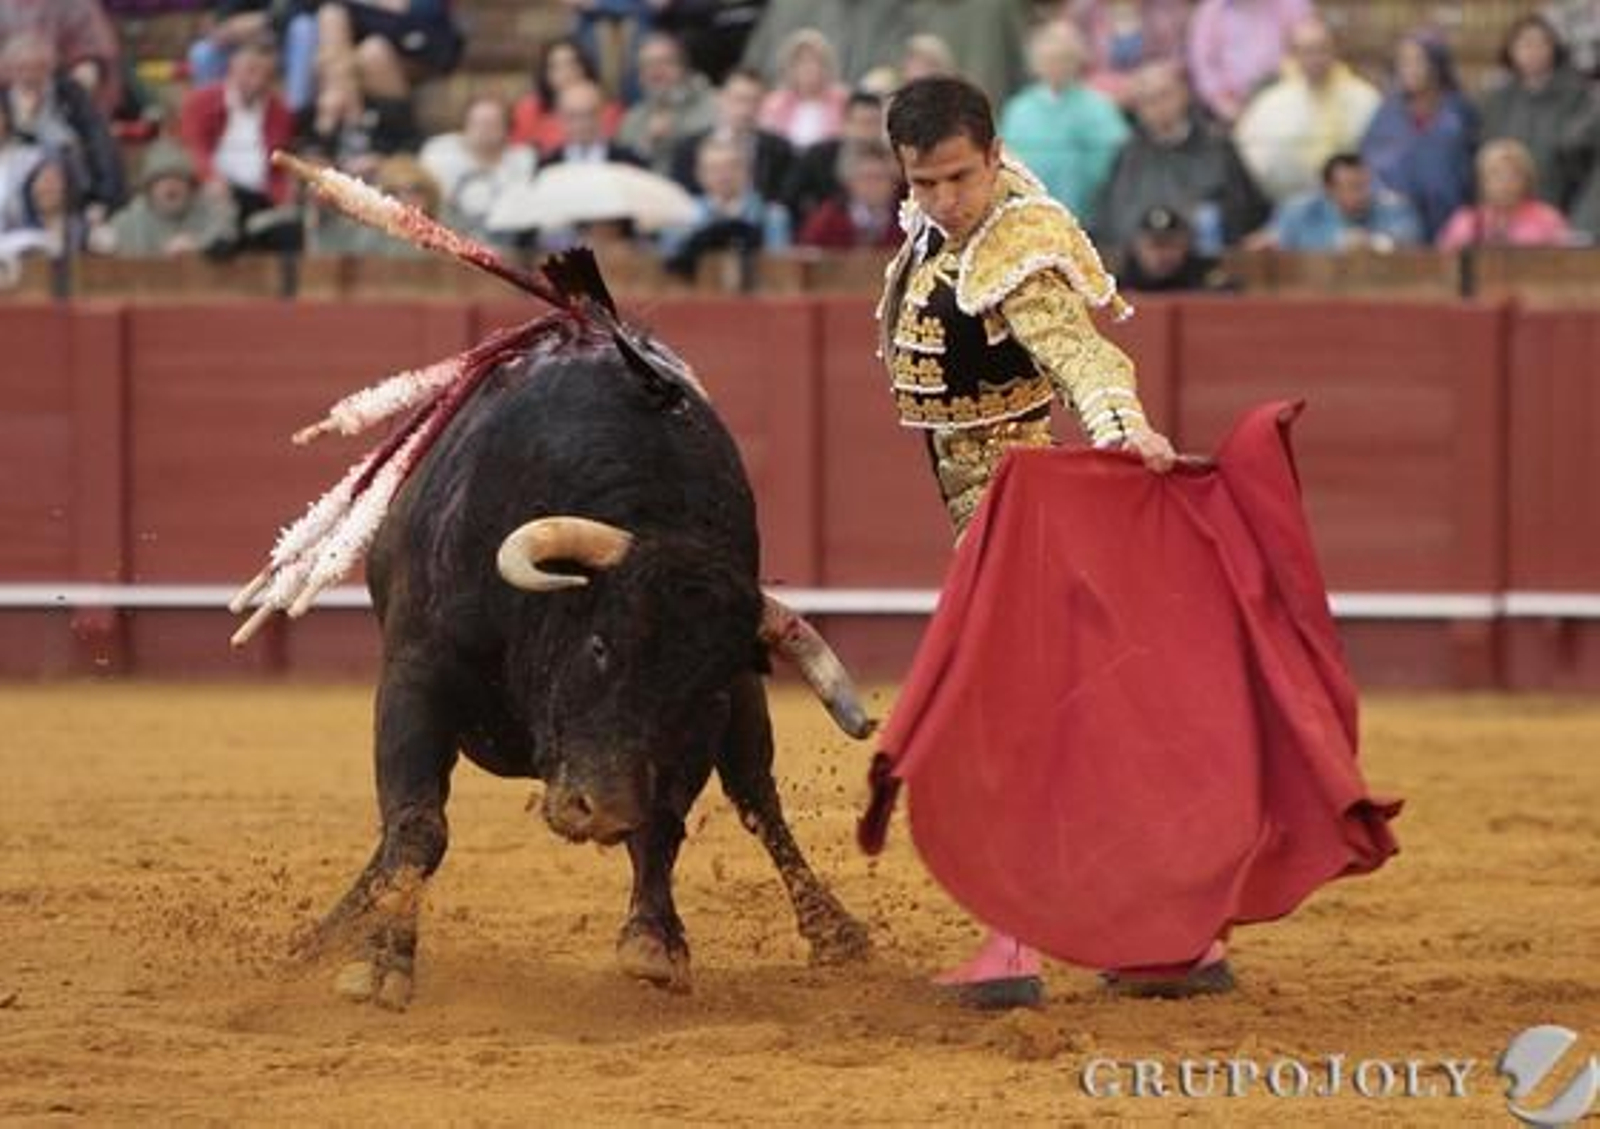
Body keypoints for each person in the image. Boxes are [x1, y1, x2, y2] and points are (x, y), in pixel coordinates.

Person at [878, 76, 1223, 1008]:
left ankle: (1015, 944)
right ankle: (1177, 937)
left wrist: (1125, 431)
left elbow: (1083, 355)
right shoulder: (951, 216)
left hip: (1020, 515)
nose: (946, 201)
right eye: (925, 184)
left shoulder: (1017, 248)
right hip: (994, 516)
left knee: (1016, 731)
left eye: (960, 178)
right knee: (1083, 726)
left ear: (993, 158)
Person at [1234, 16, 1381, 204]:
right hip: (1288, 204)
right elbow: (1253, 158)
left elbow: (1377, 156)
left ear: (1335, 50)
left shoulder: (1364, 97)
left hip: (1354, 203)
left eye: (1322, 49)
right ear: (1293, 55)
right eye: (1307, 51)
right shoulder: (1271, 103)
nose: (1315, 58)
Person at [1359, 33, 1476, 242]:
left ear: (1437, 65)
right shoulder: (1386, 113)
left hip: (1450, 220)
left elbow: (1470, 168)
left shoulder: (1459, 112)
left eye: (1418, 61)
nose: (1410, 69)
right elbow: (1369, 165)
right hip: (1396, 224)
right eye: (1403, 62)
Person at [1265, 151, 1423, 252]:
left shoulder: (1393, 208)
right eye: (1353, 187)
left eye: (1366, 184)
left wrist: (1374, 244)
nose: (1364, 194)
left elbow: (1411, 243)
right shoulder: (1299, 212)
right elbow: (1275, 244)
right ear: (1329, 190)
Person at [1436, 138, 1573, 251]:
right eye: (1496, 174)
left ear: (1527, 180)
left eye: (1513, 175)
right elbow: (1443, 264)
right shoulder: (1464, 222)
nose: (1504, 183)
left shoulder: (1548, 220)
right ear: (1482, 181)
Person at [1117, 204, 1231, 291]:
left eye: (1171, 245)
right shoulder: (1121, 285)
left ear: (1185, 246)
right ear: (1137, 247)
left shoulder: (1202, 281)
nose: (1163, 255)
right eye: (1155, 246)